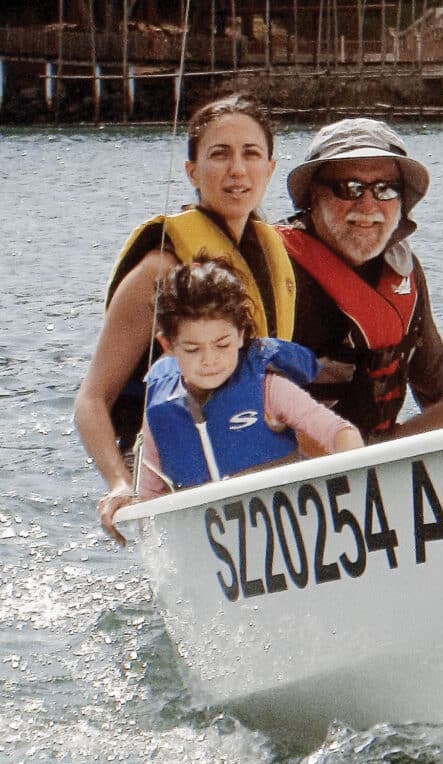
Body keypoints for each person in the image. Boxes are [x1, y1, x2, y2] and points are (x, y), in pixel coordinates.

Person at [74, 92, 295, 540]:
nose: (237, 170)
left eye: (251, 154)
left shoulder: (273, 257)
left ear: (270, 169)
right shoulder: (159, 269)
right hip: (170, 452)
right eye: (220, 155)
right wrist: (119, 486)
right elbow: (92, 399)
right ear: (192, 171)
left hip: (248, 437)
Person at [277, 118, 443, 443]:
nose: (368, 205)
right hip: (299, 467)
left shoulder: (403, 272)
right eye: (350, 188)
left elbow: (442, 386)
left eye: (385, 189)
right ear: (314, 194)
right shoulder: (277, 271)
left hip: (381, 461)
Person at [135, 259, 362, 523]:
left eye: (222, 344)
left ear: (241, 335)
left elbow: (341, 433)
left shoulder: (269, 390)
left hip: (292, 528)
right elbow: (147, 497)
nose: (209, 360)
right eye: (192, 349)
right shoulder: (159, 411)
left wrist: (356, 491)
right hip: (211, 545)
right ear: (168, 344)